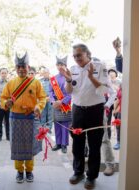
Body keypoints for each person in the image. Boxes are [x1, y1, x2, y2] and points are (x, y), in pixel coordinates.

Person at [60, 44, 109, 189]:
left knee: (94, 144)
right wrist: (68, 80)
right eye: (74, 56)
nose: (76, 59)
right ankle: (78, 172)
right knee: (77, 143)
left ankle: (92, 176)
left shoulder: (99, 66)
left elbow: (104, 90)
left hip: (95, 110)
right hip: (78, 110)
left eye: (79, 55)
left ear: (88, 54)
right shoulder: (73, 69)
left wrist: (91, 77)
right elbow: (69, 91)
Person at [0, 52, 46, 183]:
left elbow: (42, 98)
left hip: (31, 118)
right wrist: (6, 103)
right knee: (18, 145)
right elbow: (3, 98)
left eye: (23, 66)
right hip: (15, 119)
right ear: (15, 68)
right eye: (18, 67)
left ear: (28, 67)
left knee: (30, 145)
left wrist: (38, 106)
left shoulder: (35, 82)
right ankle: (19, 171)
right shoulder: (11, 83)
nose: (21, 69)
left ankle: (29, 170)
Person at [49, 56, 72, 153]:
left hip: (65, 105)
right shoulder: (53, 79)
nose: (60, 66)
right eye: (58, 65)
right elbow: (50, 91)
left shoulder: (69, 78)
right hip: (55, 104)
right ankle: (58, 143)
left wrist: (62, 102)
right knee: (57, 124)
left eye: (62, 64)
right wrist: (53, 101)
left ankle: (64, 145)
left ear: (65, 66)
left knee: (65, 125)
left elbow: (71, 93)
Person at [0, 68, 10, 143]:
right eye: (2, 73)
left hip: (8, 106)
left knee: (8, 122)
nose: (4, 74)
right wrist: (0, 104)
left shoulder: (10, 82)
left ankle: (8, 136)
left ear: (7, 74)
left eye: (5, 73)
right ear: (0, 74)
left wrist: (8, 104)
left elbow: (11, 94)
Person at [39, 67, 53, 133]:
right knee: (43, 114)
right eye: (44, 73)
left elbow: (55, 91)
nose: (45, 74)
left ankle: (49, 128)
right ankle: (43, 128)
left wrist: (50, 97)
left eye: (46, 72)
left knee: (50, 114)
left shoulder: (53, 80)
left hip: (51, 99)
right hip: (43, 99)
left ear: (49, 73)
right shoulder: (40, 81)